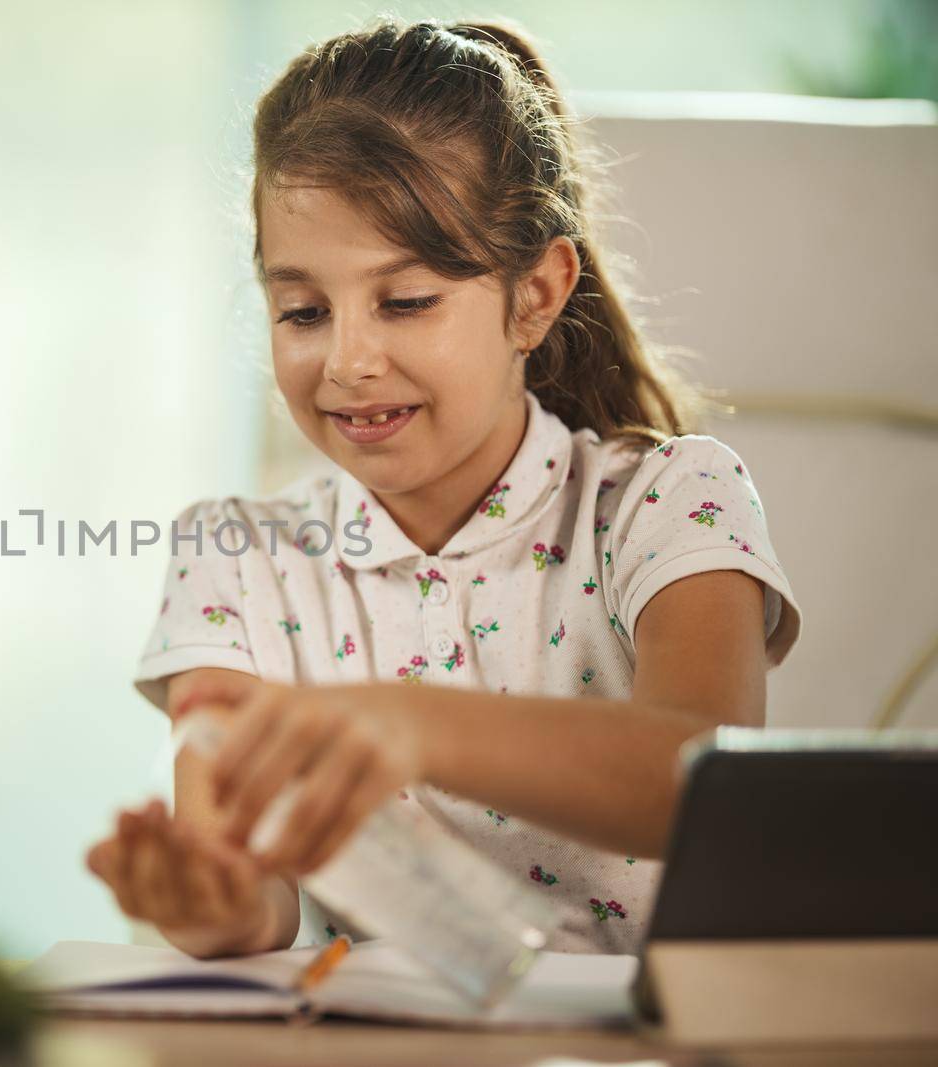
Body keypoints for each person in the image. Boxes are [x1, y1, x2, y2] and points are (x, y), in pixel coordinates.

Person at [84, 16, 801, 959]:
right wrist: (202, 900)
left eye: (406, 301)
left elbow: (706, 787)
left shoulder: (670, 500)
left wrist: (417, 725)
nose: (347, 360)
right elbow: (249, 904)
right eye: (303, 310)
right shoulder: (234, 557)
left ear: (535, 297)